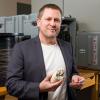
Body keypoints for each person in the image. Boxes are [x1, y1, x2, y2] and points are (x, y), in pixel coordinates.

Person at [6, 3, 85, 100]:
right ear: (38, 22)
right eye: (48, 19)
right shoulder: (21, 49)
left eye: (56, 20)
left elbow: (73, 72)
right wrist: (39, 87)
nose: (52, 24)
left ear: (60, 23)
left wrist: (75, 78)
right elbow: (11, 85)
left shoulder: (67, 47)